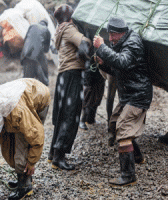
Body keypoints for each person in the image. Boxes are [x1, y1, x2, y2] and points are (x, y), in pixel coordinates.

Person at [93, 16, 153, 186]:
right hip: (128, 94)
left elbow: (123, 62)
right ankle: (137, 157)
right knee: (114, 123)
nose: (111, 39)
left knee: (123, 129)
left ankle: (128, 176)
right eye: (109, 35)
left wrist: (102, 47)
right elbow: (116, 68)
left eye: (113, 35)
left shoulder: (132, 43)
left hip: (139, 94)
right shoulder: (121, 41)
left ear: (122, 32)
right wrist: (103, 62)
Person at [0, 78, 51, 200]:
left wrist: (31, 163)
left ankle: (25, 187)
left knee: (23, 146)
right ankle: (24, 178)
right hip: (24, 95)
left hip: (39, 97)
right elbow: (6, 144)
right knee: (15, 148)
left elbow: (37, 138)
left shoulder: (18, 114)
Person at [48, 4, 91, 170]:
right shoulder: (69, 29)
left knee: (61, 115)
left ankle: (53, 152)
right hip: (73, 74)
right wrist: (90, 39)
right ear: (69, 17)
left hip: (63, 76)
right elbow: (83, 42)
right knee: (71, 114)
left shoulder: (59, 28)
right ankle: (59, 158)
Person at [20, 18, 51, 86]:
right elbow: (46, 49)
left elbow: (25, 39)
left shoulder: (32, 26)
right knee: (42, 72)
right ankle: (45, 82)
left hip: (25, 54)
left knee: (27, 79)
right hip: (36, 57)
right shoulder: (46, 30)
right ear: (46, 25)